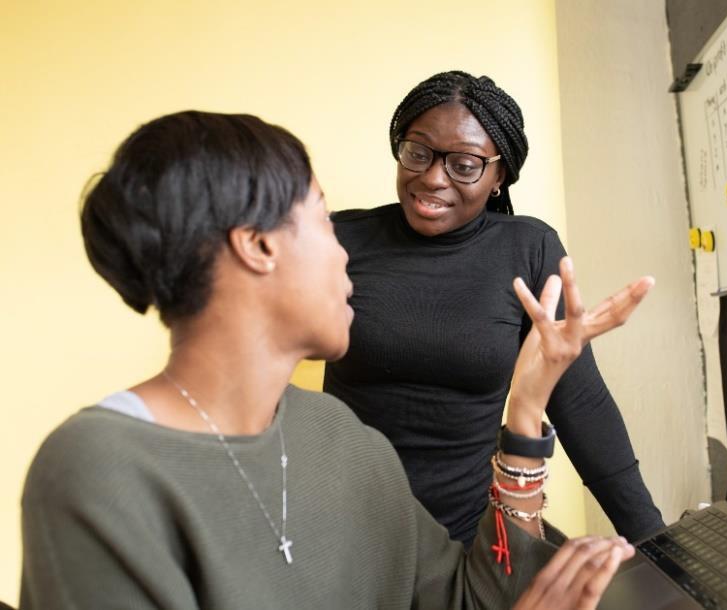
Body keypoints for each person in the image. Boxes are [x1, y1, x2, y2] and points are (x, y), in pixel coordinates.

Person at [19, 110, 653, 609]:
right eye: (324, 222)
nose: (349, 255)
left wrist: (525, 410)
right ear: (258, 246)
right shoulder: (97, 471)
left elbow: (465, 597)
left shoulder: (341, 438)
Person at [327, 70, 665, 547]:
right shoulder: (342, 239)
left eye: (463, 164)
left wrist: (653, 541)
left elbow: (580, 402)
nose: (431, 177)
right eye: (417, 152)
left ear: (498, 175)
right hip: (343, 536)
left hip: (467, 539)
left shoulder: (527, 248)